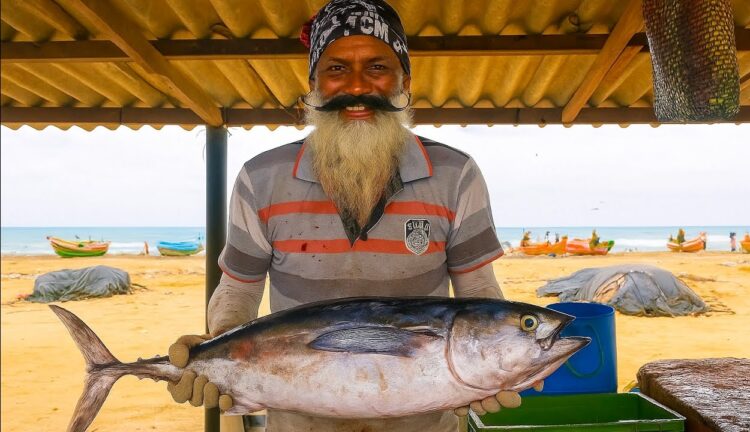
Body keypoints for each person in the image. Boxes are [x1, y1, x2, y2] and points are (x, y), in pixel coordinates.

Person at [165, 1, 534, 431]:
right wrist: (220, 346)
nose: (357, 87)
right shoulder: (260, 178)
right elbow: (238, 290)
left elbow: (479, 288)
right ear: (314, 85)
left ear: (405, 81)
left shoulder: (456, 175)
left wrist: (497, 362)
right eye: (337, 69)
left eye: (377, 67)